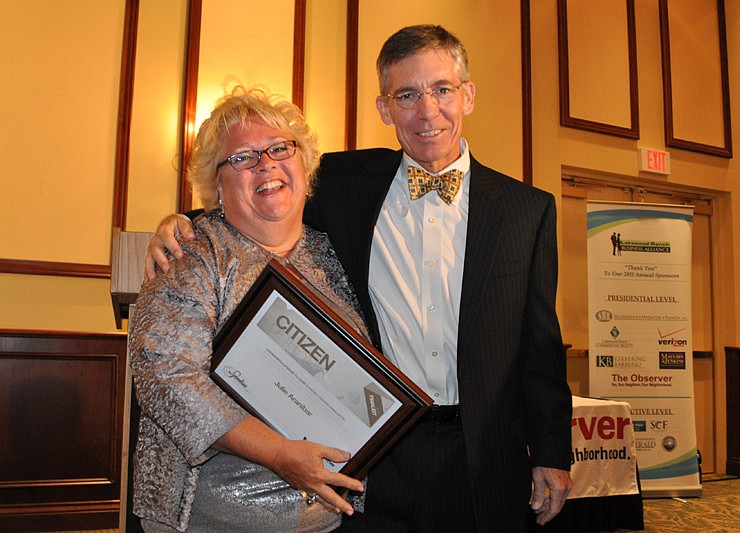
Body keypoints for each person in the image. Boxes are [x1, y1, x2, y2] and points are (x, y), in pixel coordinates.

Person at [146, 25, 573, 532]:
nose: (427, 111)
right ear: (384, 109)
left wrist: (552, 452)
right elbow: (257, 197)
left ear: (468, 96)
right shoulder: (343, 182)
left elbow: (540, 347)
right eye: (406, 95)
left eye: (442, 89)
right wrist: (181, 222)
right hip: (376, 453)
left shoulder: (527, 211)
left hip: (482, 451)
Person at [129, 87, 365, 532]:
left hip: (324, 519)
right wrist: (278, 453)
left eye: (279, 148)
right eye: (242, 157)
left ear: (304, 164)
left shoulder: (335, 253)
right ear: (216, 186)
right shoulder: (190, 253)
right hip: (207, 518)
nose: (266, 164)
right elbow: (166, 378)